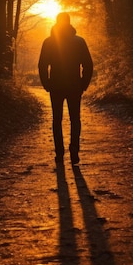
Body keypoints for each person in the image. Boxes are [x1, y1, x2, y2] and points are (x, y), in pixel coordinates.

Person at [38, 12, 93, 165]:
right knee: (75, 119)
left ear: (57, 22)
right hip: (75, 86)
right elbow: (88, 65)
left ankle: (59, 154)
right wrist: (83, 84)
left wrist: (46, 83)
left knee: (57, 120)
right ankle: (74, 153)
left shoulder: (49, 42)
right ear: (69, 23)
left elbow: (42, 65)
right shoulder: (79, 42)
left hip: (56, 86)